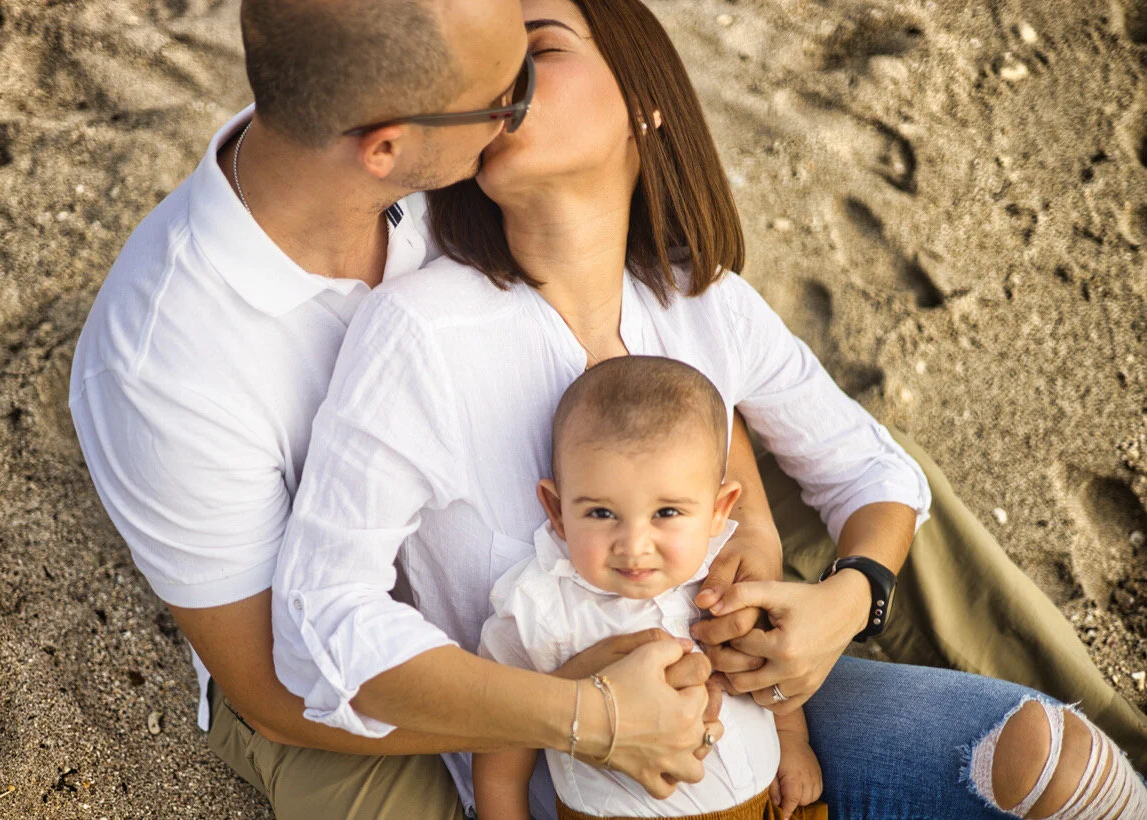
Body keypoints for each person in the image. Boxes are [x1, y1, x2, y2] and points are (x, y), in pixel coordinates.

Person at [270, 0, 1147, 816]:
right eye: (488, 72)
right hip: (566, 781)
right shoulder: (422, 329)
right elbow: (324, 617)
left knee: (1054, 754)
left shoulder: (700, 300)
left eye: (537, 49)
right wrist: (582, 713)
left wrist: (848, 599)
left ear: (644, 101)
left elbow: (875, 470)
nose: (506, 82)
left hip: (759, 737)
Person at [69, 2, 728, 818]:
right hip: (329, 694)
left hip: (567, 536)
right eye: (505, 96)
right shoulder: (161, 370)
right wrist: (583, 715)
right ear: (385, 147)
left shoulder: (446, 163)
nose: (518, 115)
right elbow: (276, 683)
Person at [475, 356, 827, 820]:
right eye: (601, 513)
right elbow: (501, 758)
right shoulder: (537, 610)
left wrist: (793, 742)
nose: (635, 547)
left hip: (767, 805)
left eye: (667, 513)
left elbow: (767, 670)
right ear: (557, 510)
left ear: (720, 509)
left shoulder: (726, 579)